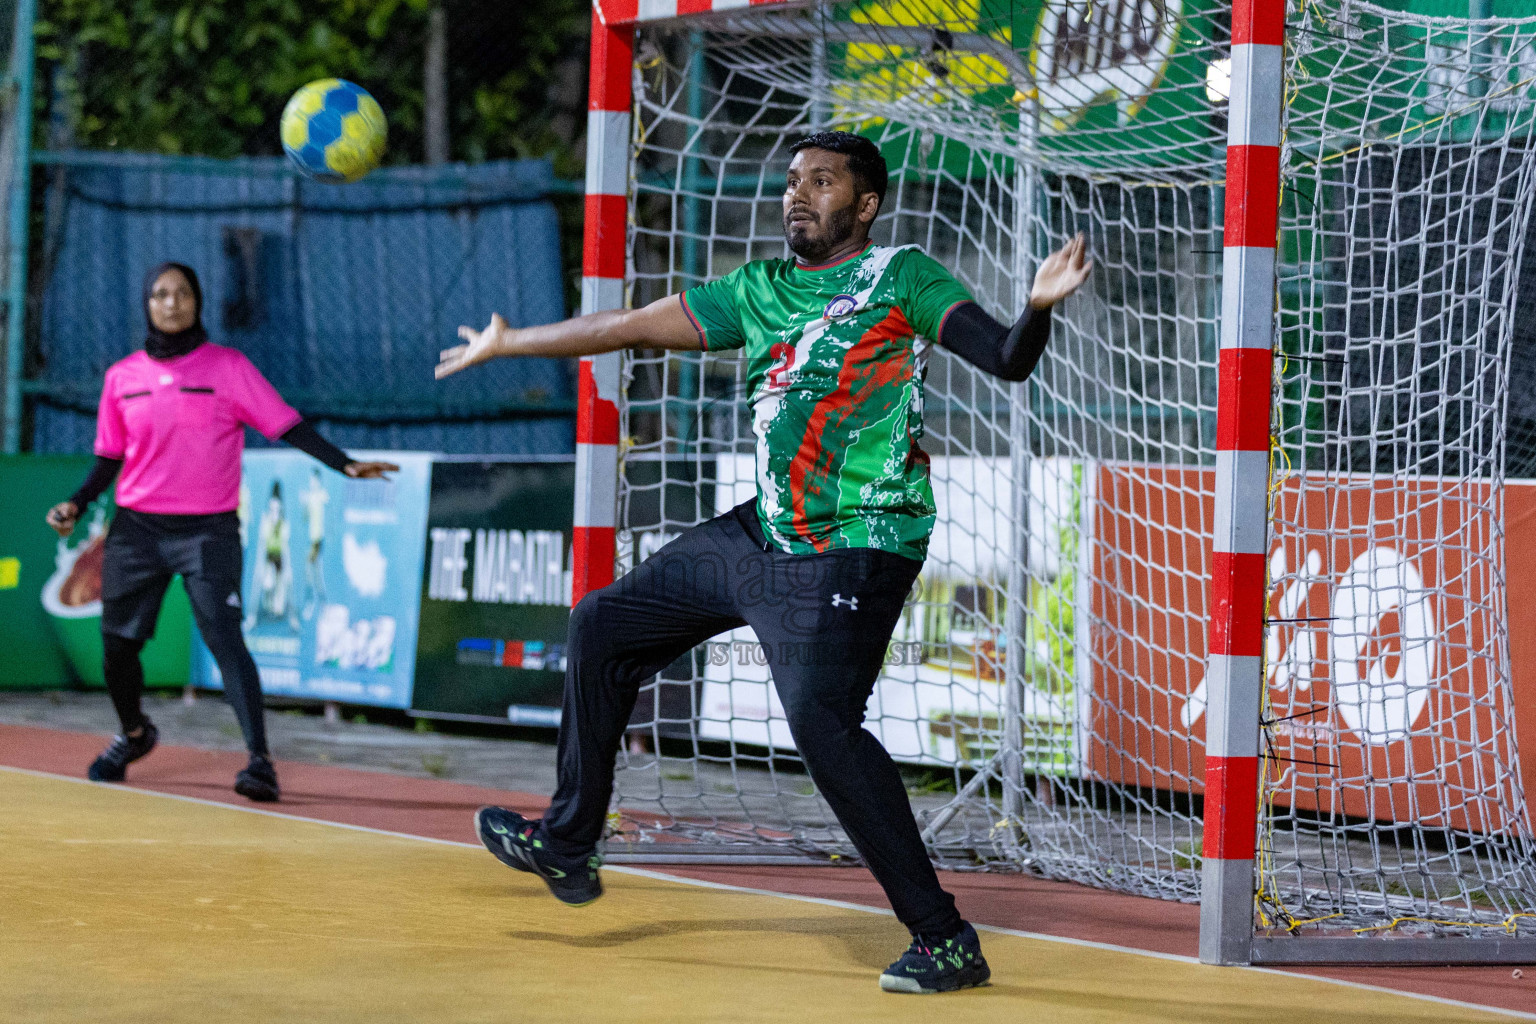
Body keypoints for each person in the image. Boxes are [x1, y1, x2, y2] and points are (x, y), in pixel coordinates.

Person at [437, 131, 1092, 994]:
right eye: (791, 181)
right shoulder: (755, 290)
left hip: (856, 545)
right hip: (763, 535)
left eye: (822, 182)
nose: (798, 194)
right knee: (603, 625)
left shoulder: (902, 277)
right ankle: (569, 840)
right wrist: (511, 341)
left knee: (822, 725)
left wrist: (1037, 307)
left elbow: (1008, 359)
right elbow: (627, 326)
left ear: (863, 206)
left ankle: (945, 940)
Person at [45, 262, 398, 802]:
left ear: (197, 301)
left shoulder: (228, 368)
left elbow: (287, 424)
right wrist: (76, 501)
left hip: (207, 532)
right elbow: (108, 457)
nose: (171, 302)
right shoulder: (122, 377)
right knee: (117, 648)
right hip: (136, 530)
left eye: (182, 292)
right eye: (160, 294)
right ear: (147, 304)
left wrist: (343, 463)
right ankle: (134, 734)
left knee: (225, 639)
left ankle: (260, 762)